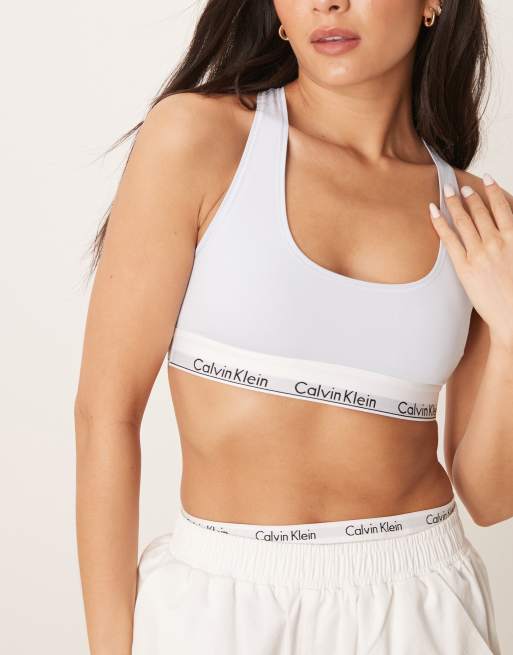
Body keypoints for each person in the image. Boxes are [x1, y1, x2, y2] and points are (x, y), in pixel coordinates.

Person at [74, 1, 513, 653]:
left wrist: (510, 332)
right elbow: (104, 414)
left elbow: (488, 495)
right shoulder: (197, 138)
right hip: (222, 601)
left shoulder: (474, 213)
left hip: (420, 601)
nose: (326, 3)